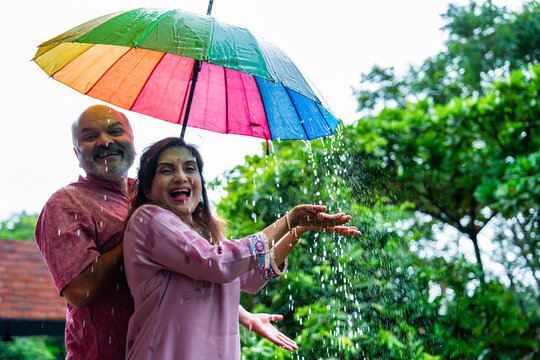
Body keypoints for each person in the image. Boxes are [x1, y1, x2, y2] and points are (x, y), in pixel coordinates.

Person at [34, 105, 299, 359]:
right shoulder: (66, 204)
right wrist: (139, 235)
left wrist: (242, 315)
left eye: (115, 131)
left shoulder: (153, 193)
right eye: (91, 136)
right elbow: (80, 290)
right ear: (75, 151)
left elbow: (192, 268)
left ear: (132, 140)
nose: (105, 141)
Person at [123, 137, 361, 359]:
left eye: (190, 168)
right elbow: (218, 264)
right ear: (147, 189)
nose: (181, 177)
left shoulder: (202, 236)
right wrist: (289, 219)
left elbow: (252, 276)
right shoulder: (148, 218)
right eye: (167, 170)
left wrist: (297, 231)